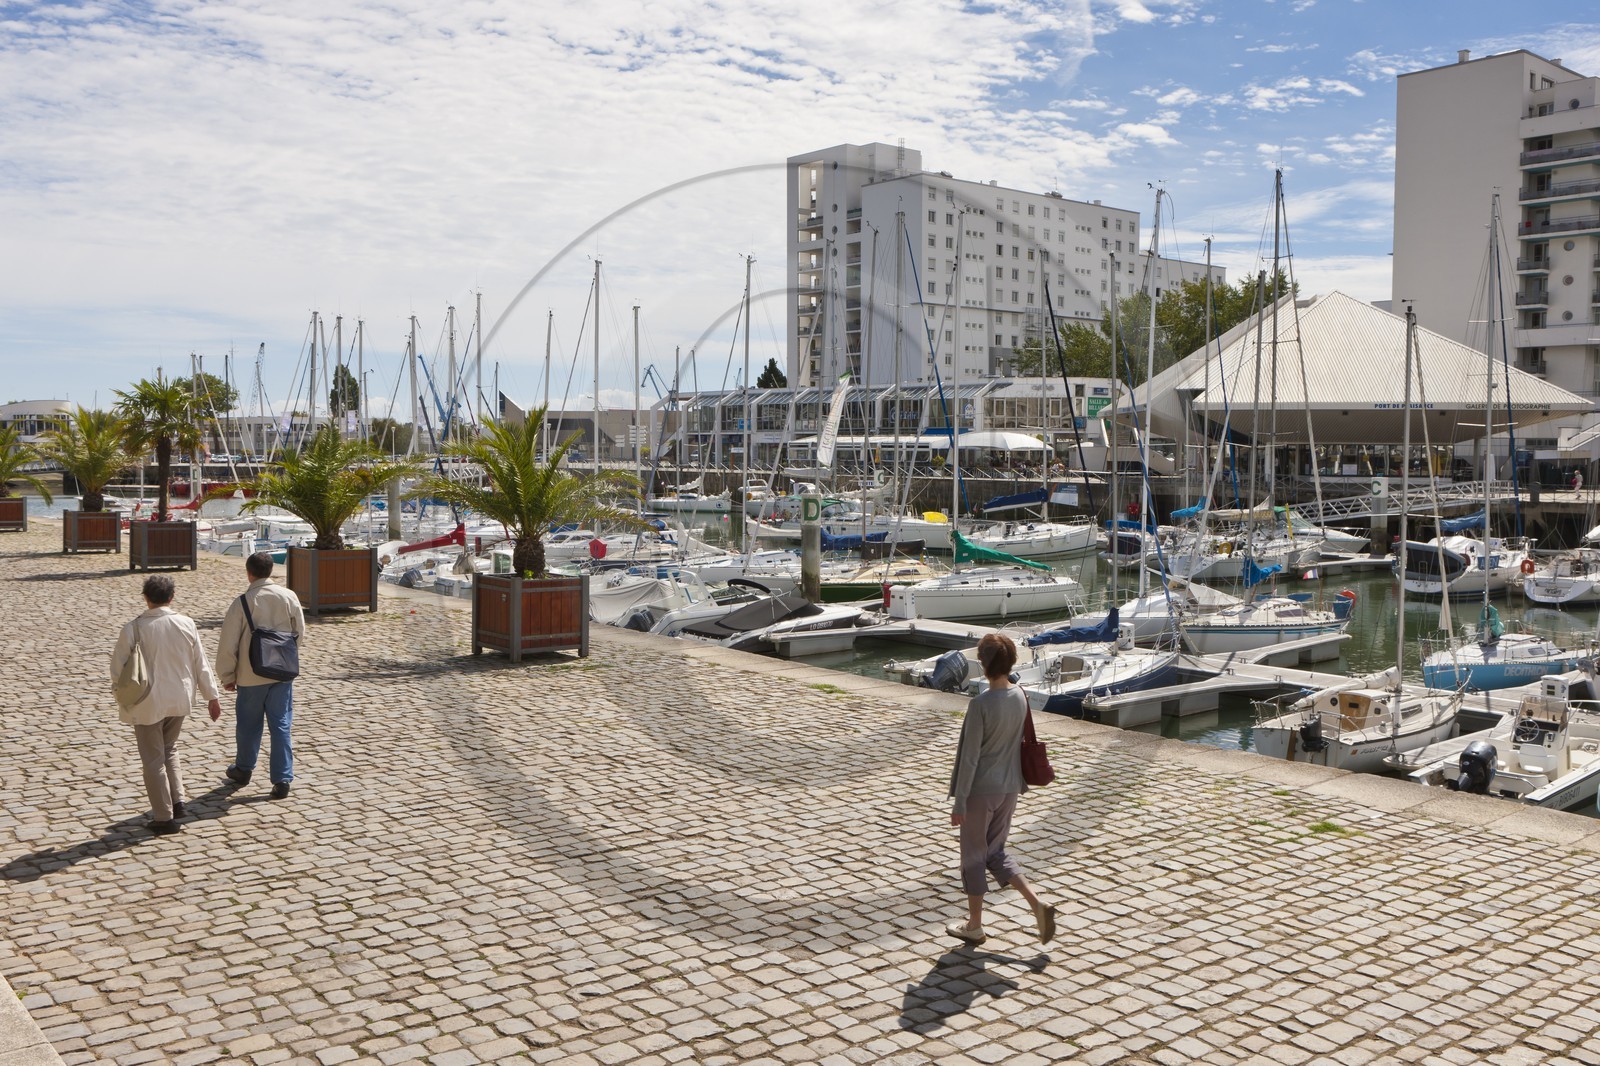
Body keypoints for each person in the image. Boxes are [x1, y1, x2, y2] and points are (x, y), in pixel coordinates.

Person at [946, 633, 1056, 947]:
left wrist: (960, 802)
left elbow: (970, 758)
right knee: (996, 852)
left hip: (981, 792)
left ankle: (975, 926)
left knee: (973, 858)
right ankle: (1038, 905)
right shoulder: (1020, 695)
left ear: (984, 663)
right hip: (1009, 790)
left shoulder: (980, 704)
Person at [110, 575, 222, 835]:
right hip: (179, 697)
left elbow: (117, 669)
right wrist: (211, 697)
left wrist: (120, 694)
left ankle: (163, 816)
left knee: (153, 759)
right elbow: (200, 663)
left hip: (147, 701)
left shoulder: (133, 628)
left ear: (146, 598)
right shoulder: (186, 623)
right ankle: (177, 800)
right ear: (171, 597)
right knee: (169, 748)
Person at [216, 552, 306, 799]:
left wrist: (227, 675)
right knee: (281, 725)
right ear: (271, 571)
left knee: (248, 725)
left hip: (250, 674)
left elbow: (228, 643)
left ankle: (244, 769)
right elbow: (299, 632)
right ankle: (282, 778)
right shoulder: (289, 596)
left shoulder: (243, 602)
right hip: (282, 674)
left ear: (249, 573)